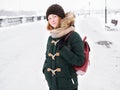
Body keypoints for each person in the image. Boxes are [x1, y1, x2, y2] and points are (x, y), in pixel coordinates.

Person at [42, 4, 85, 90]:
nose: (52, 20)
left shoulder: (73, 36)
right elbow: (47, 58)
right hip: (52, 85)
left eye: (54, 16)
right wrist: (45, 71)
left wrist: (63, 50)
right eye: (49, 18)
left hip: (68, 86)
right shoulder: (51, 37)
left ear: (61, 17)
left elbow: (80, 61)